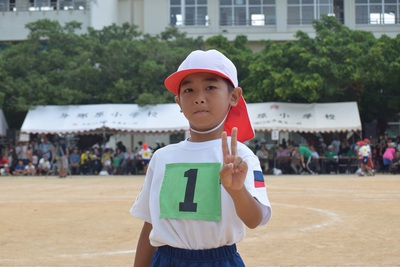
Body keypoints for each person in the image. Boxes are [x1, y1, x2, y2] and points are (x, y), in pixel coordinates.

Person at [130, 49, 271, 266]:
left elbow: (255, 219)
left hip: (220, 260)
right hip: (166, 260)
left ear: (234, 96)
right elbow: (151, 223)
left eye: (210, 87)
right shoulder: (162, 157)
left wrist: (236, 190)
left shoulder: (241, 158)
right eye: (189, 90)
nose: (199, 98)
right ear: (178, 102)